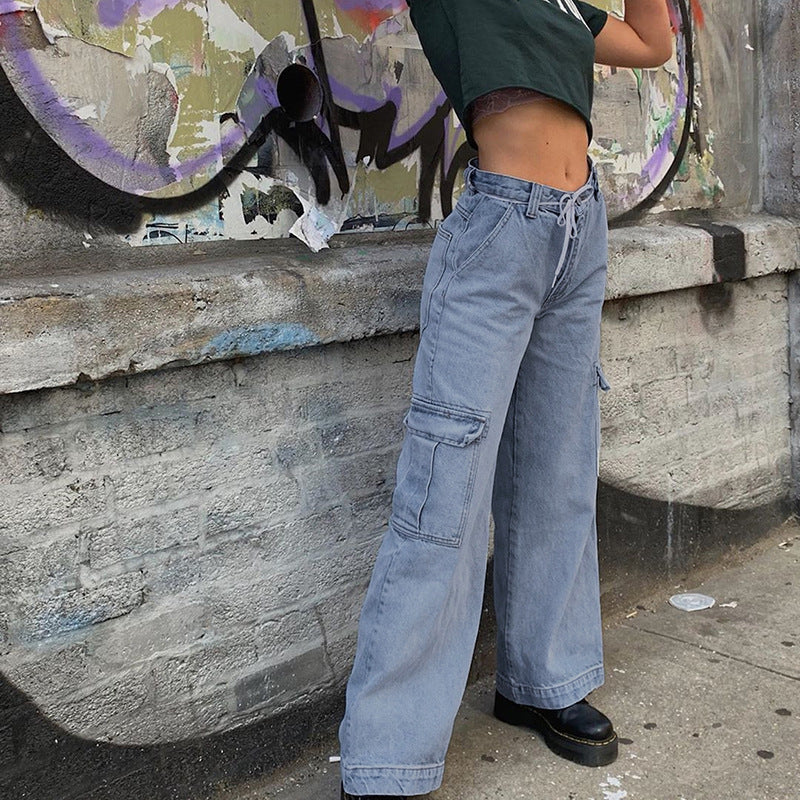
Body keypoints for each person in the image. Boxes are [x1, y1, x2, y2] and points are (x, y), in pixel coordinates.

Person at [338, 2, 673, 798]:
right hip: (500, 234)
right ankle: (388, 754)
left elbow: (652, 43)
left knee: (556, 470)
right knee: (445, 491)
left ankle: (541, 681)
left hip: (580, 231)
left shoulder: (563, 4)